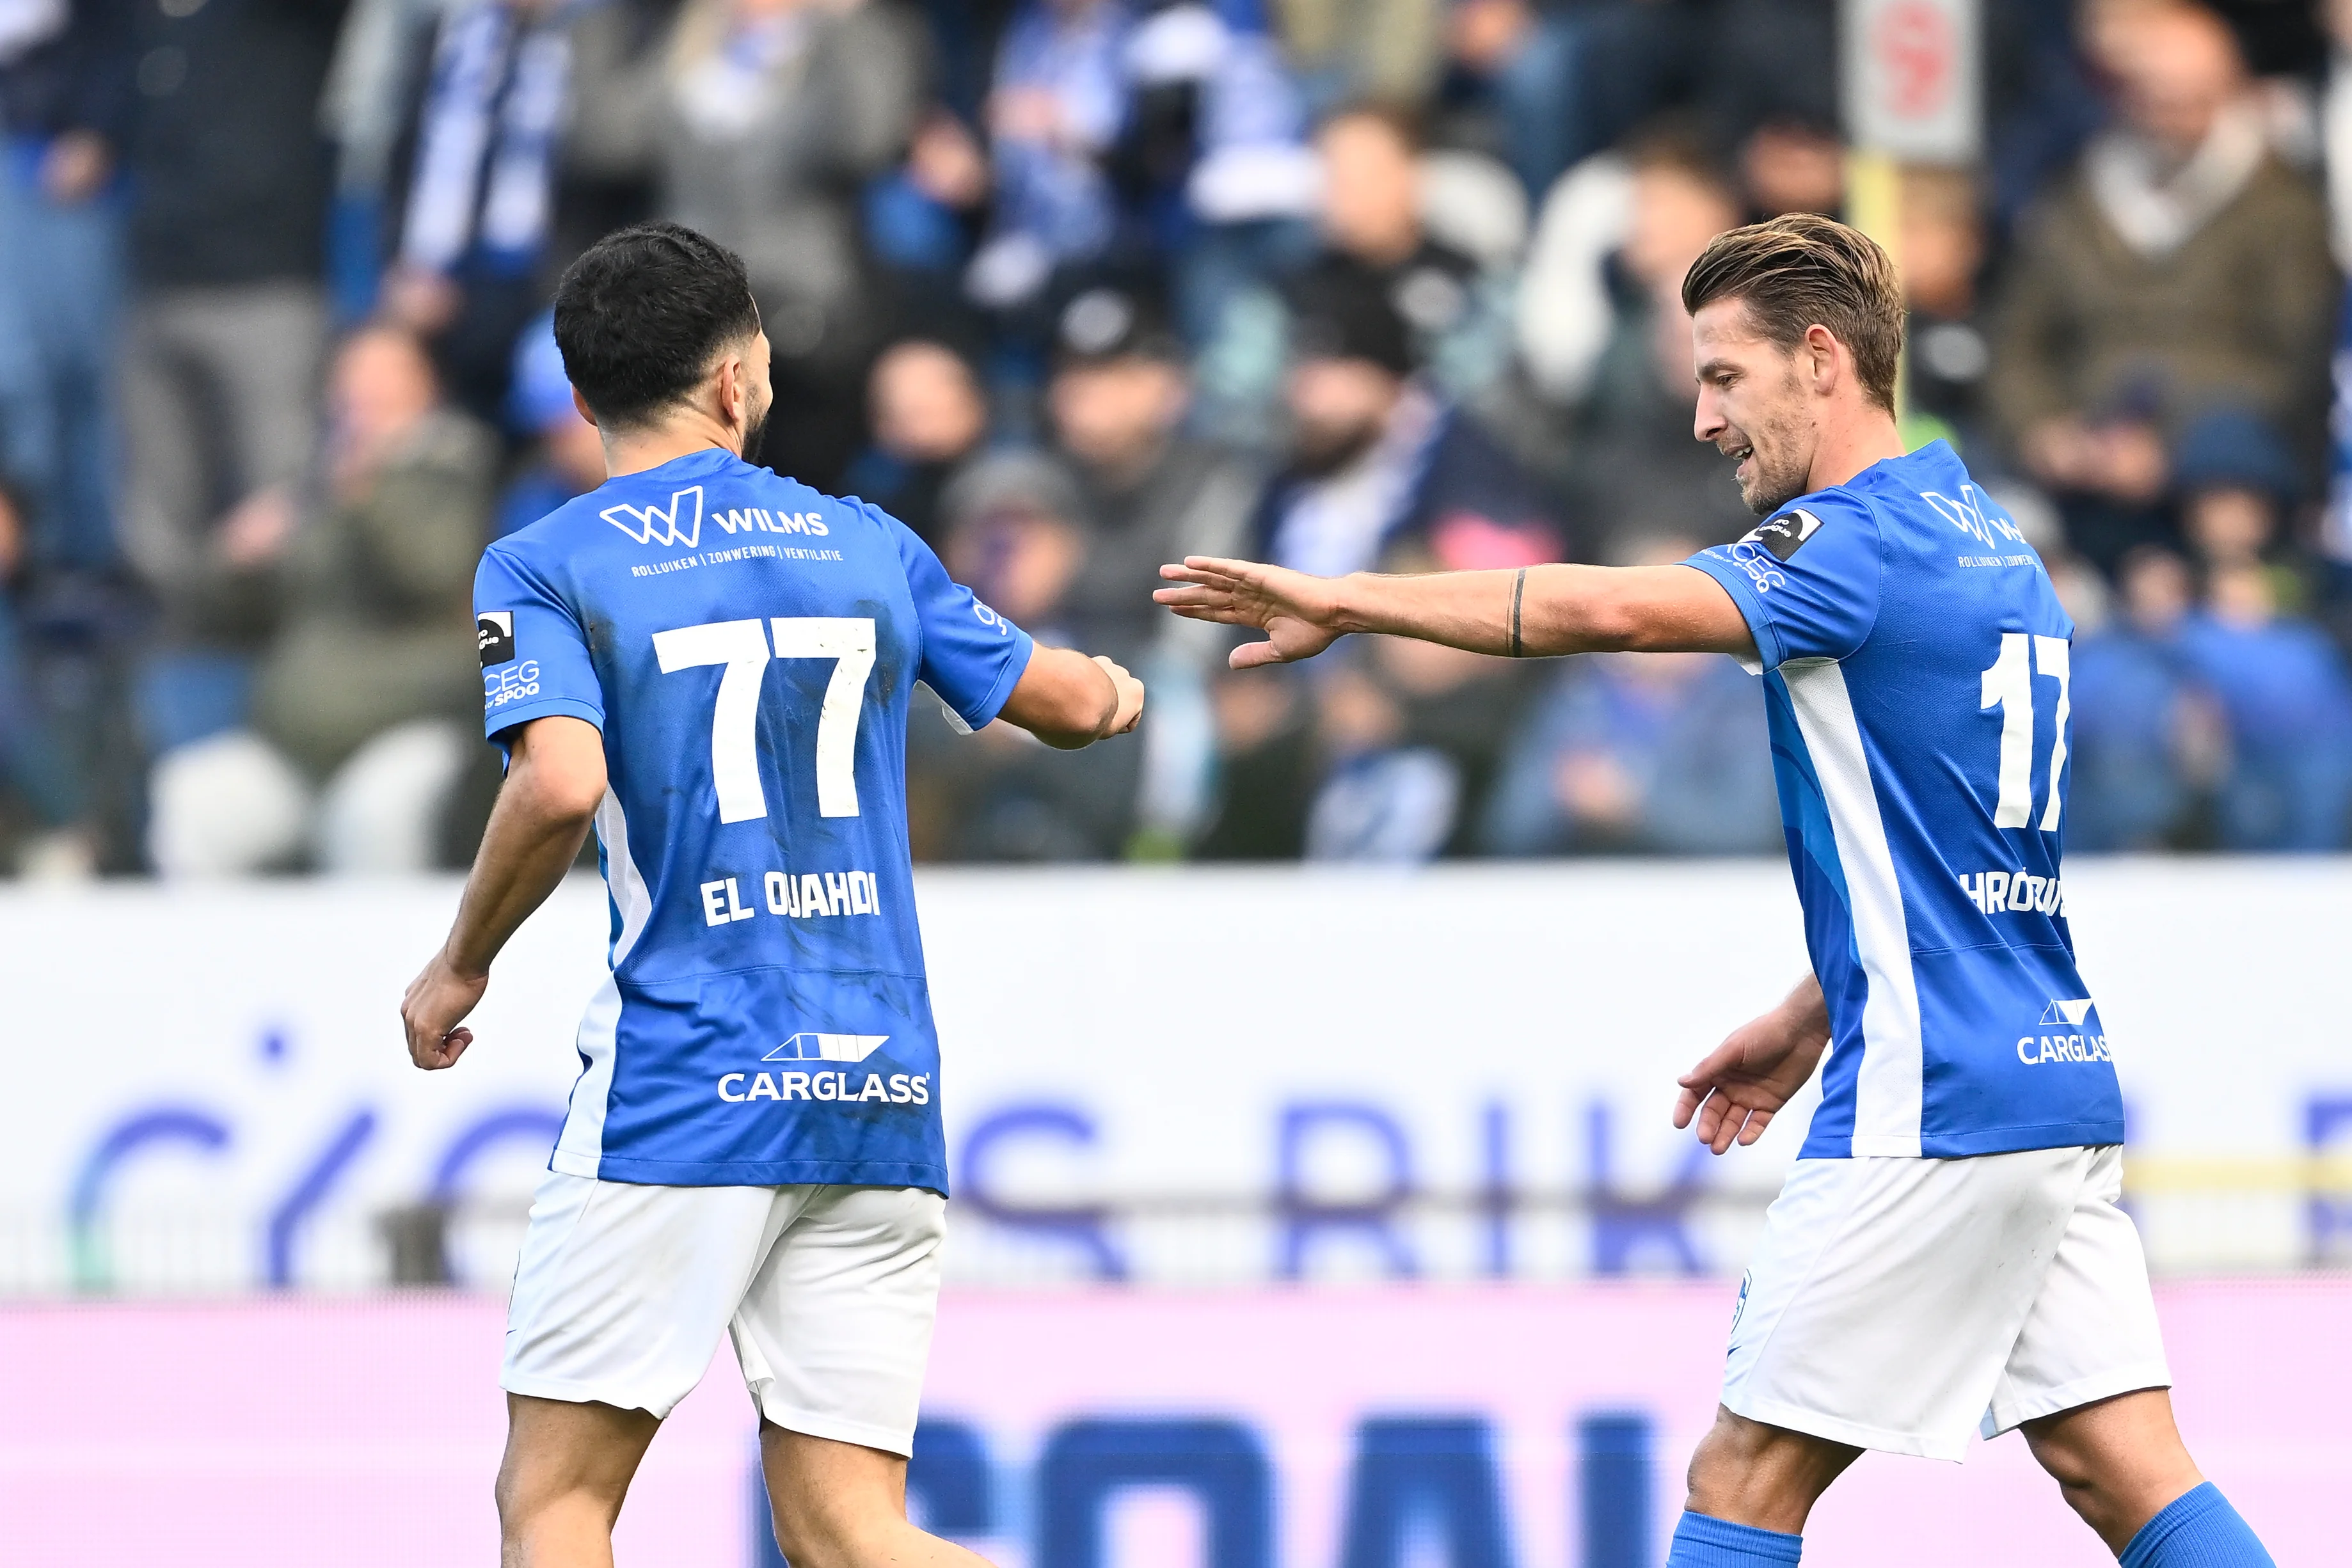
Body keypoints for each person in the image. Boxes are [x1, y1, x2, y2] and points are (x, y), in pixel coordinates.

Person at [1155, 214, 2276, 1568]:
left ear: (1820, 360)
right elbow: (1960, 857)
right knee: (2121, 1469)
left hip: (1931, 1101)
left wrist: (1350, 600)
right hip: (2044, 1076)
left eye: (1722, 377)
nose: (1699, 417)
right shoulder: (1988, 539)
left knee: (1740, 1475)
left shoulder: (1851, 546)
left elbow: (1615, 616)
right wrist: (1815, 1008)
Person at [397, 221, 1142, 1565]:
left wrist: (460, 962)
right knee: (854, 1535)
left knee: (557, 1502)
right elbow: (1068, 702)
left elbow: (560, 786)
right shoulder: (864, 542)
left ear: (580, 399)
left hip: (687, 1076)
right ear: (735, 379)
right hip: (877, 1086)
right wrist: (1117, 689)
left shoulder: (546, 563)